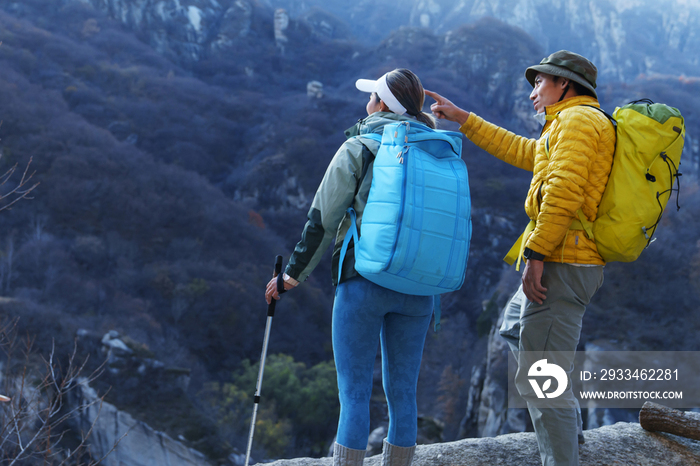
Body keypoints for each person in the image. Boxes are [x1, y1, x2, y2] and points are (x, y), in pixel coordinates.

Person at [426, 50, 615, 466]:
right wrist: (464, 118)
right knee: (515, 327)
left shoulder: (580, 122)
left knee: (541, 378)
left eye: (539, 83)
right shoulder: (566, 123)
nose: (533, 92)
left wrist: (536, 254)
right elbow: (524, 151)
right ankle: (569, 437)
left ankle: (561, 456)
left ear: (563, 84)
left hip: (564, 262)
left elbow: (564, 193)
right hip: (564, 257)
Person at [265, 68, 438, 466]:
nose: (367, 103)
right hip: (419, 287)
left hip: (364, 282)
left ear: (380, 105)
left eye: (371, 96)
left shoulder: (360, 146)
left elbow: (322, 220)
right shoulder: (436, 147)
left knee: (355, 393)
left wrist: (289, 277)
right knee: (403, 394)